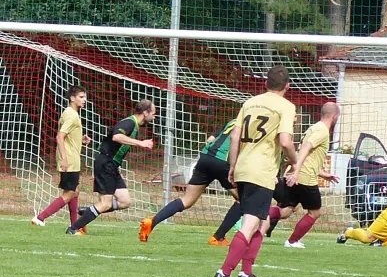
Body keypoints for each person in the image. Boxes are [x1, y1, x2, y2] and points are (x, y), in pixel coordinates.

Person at [214, 65, 298, 277]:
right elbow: (285, 141)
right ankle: (224, 271)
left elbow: (234, 137)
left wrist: (232, 166)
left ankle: (246, 273)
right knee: (251, 223)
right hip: (261, 171)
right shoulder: (286, 106)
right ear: (287, 86)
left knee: (262, 221)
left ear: (265, 84)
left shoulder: (249, 103)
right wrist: (295, 160)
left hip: (243, 166)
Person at [138, 119, 240, 244]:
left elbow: (211, 138)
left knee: (187, 200)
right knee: (243, 200)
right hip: (222, 162)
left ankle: (152, 221)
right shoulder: (249, 124)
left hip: (205, 158)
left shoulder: (233, 121)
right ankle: (218, 237)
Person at [66, 100, 156, 235]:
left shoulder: (134, 124)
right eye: (153, 113)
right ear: (145, 112)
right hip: (106, 163)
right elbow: (116, 136)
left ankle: (89, 211)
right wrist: (141, 143)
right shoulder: (130, 122)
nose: (154, 117)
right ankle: (73, 229)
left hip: (112, 166)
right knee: (106, 203)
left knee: (125, 201)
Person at [270, 102, 341, 248]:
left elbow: (309, 156)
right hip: (304, 178)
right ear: (334, 117)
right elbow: (306, 149)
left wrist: (323, 174)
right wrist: (297, 172)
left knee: (285, 211)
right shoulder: (322, 131)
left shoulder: (313, 128)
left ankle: (256, 215)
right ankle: (292, 241)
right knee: (315, 212)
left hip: (298, 174)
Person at [31, 86, 91, 228]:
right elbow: (60, 137)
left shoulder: (68, 112)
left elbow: (66, 135)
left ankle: (74, 226)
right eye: (81, 97)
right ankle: (40, 217)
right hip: (70, 159)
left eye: (85, 97)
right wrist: (64, 159)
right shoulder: (72, 115)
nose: (84, 100)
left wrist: (80, 139)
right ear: (72, 98)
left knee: (74, 190)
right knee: (70, 193)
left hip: (71, 158)